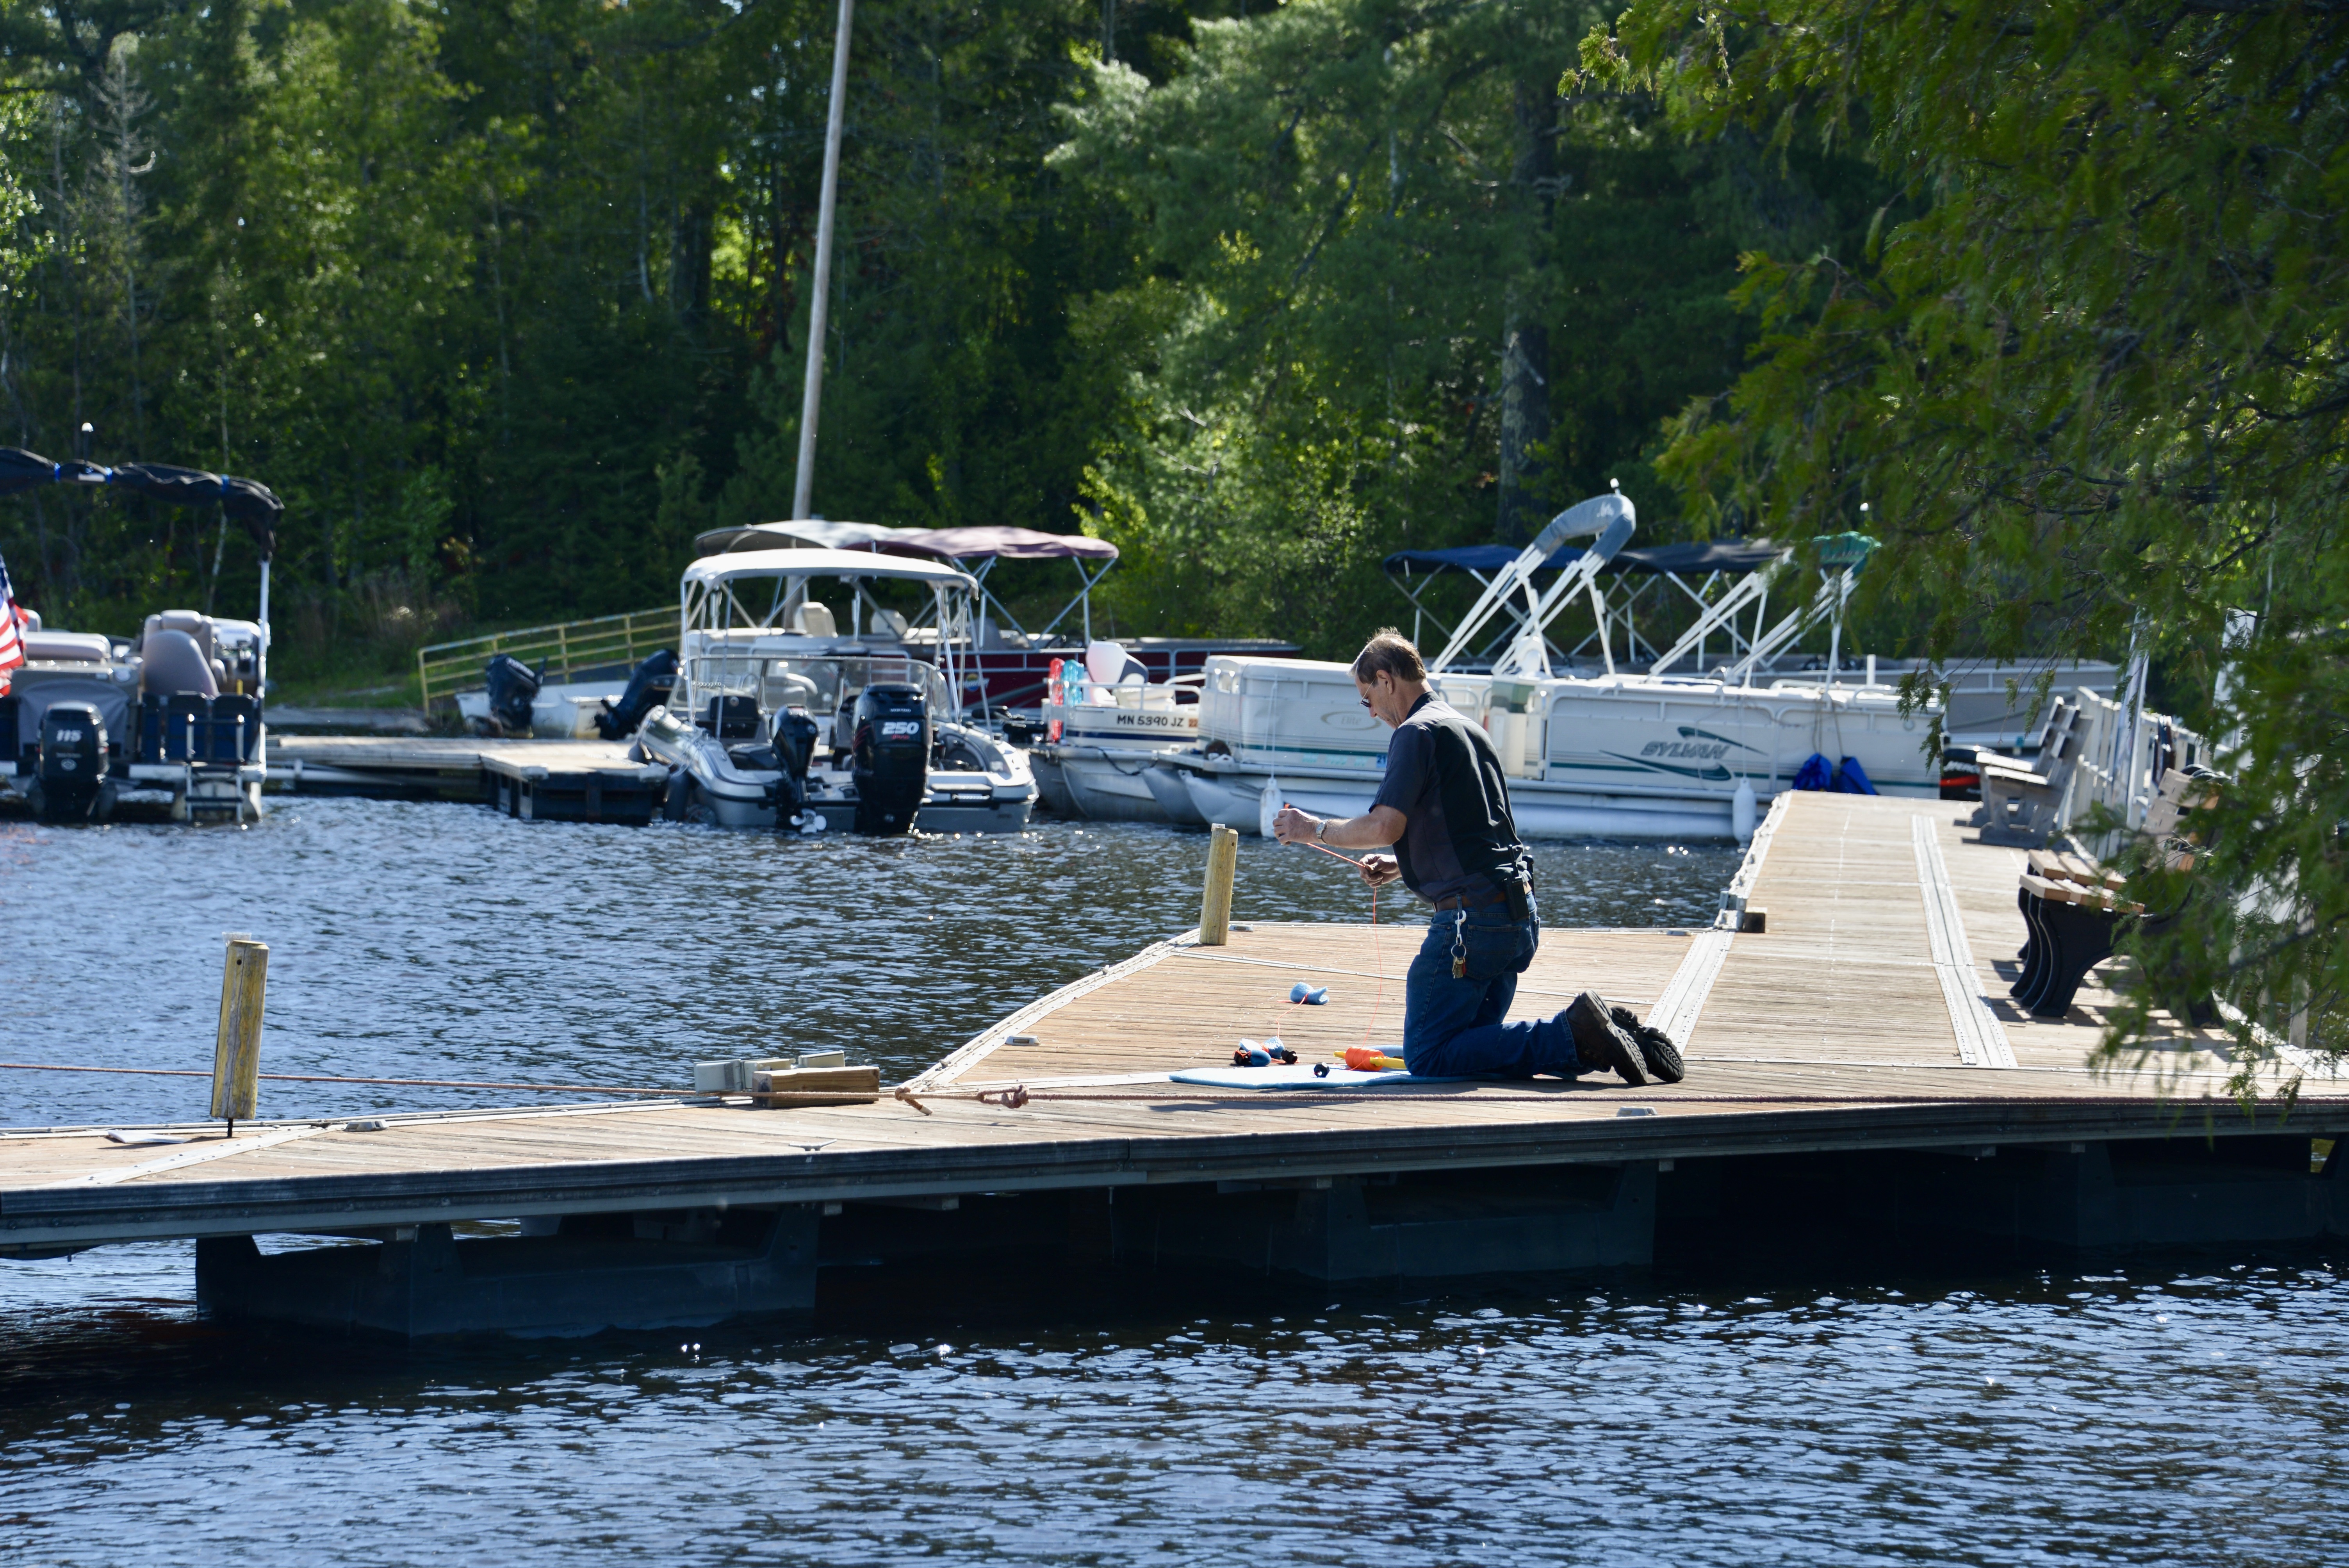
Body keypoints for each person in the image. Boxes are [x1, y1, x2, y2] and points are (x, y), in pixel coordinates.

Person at [1269, 629, 1683, 1085]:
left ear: (1386, 680)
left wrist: (1315, 829)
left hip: (1472, 928)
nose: (1369, 711)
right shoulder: (1468, 729)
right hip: (1517, 915)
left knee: (1429, 1054)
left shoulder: (1414, 732)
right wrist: (1401, 863)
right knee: (1477, 1048)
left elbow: (1385, 825)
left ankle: (1575, 1032)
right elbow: (1475, 829)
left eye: (1365, 697)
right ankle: (1609, 1038)